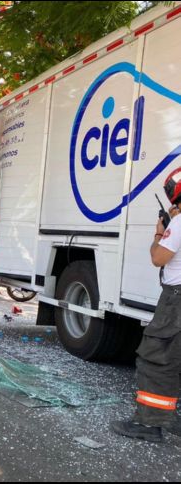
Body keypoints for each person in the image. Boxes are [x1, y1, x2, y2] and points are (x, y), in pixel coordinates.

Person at [111, 168, 181, 442]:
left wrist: (158, 234)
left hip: (176, 301)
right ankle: (174, 419)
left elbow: (159, 259)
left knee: (157, 357)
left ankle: (149, 424)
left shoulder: (178, 224)